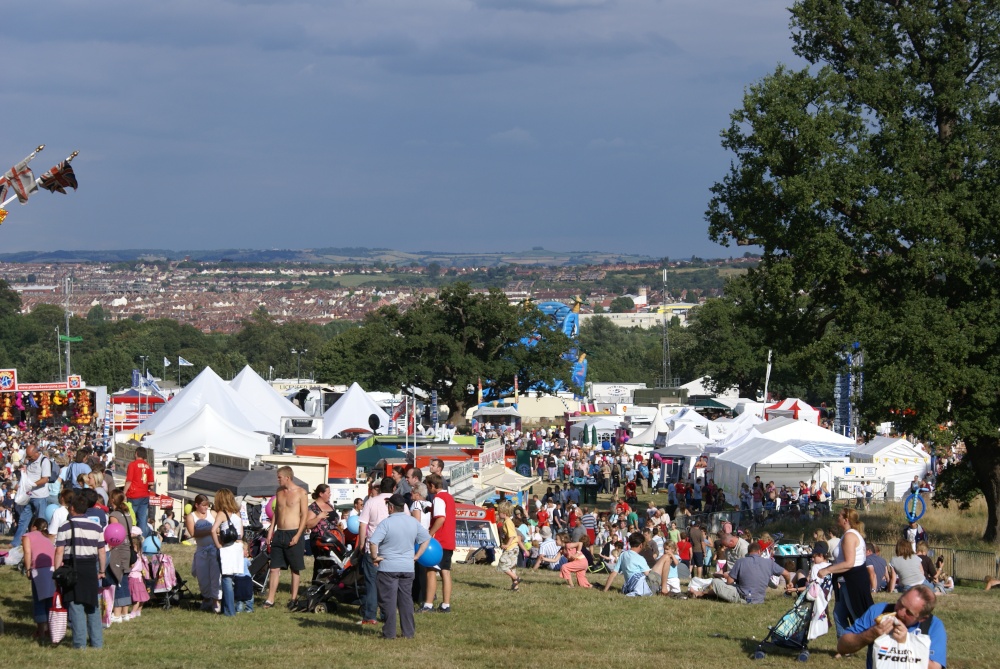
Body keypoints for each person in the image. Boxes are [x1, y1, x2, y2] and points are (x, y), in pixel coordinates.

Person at [368, 493, 431, 639]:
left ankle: (389, 633)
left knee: (388, 601)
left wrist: (374, 557)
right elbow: (426, 539)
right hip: (407, 567)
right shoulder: (413, 522)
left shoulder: (386, 523)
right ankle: (408, 632)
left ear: (391, 507)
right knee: (406, 600)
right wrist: (417, 556)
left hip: (388, 567)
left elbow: (373, 542)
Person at [838, 585, 947, 669]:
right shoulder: (878, 611)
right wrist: (871, 634)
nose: (900, 612)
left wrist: (906, 644)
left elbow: (935, 667)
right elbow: (842, 647)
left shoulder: (933, 626)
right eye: (900, 603)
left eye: (909, 612)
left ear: (922, 618)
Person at [53, 491, 107, 649]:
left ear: (72, 508)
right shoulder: (97, 527)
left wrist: (57, 572)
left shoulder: (65, 526)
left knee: (76, 606)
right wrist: (101, 570)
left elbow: (59, 551)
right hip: (90, 567)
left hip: (72, 567)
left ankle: (79, 643)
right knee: (92, 605)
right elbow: (102, 551)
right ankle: (97, 642)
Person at [818, 507, 874, 655]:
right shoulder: (849, 535)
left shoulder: (850, 536)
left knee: (858, 617)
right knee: (839, 614)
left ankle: (875, 646)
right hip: (846, 580)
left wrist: (827, 570)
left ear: (846, 520)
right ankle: (844, 648)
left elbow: (849, 563)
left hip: (853, 581)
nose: (837, 518)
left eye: (839, 516)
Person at [264, 465, 308, 609]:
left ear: (287, 477)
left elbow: (304, 516)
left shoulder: (301, 492)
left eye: (280, 477)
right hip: (280, 533)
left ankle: (293, 599)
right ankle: (270, 599)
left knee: (295, 568)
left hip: (293, 532)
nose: (278, 480)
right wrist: (271, 530)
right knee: (274, 567)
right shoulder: (279, 491)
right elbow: (277, 512)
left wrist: (298, 535)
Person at [691, 541, 791, 603]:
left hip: (745, 598)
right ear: (759, 552)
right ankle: (702, 594)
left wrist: (727, 578)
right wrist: (788, 584)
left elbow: (730, 582)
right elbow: (786, 574)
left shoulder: (741, 561)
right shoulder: (769, 563)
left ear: (748, 552)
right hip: (759, 599)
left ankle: (701, 594)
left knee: (716, 582)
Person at [357, 476, 396, 625]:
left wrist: (362, 543)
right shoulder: (400, 503)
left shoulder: (371, 502)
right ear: (394, 488)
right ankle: (387, 614)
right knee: (389, 583)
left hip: (373, 546)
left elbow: (363, 524)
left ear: (379, 488)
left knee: (371, 583)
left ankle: (370, 615)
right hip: (393, 548)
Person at [419, 472, 455, 613]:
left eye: (428, 487)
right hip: (449, 539)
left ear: (432, 486)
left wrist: (429, 534)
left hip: (439, 541)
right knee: (445, 571)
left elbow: (440, 518)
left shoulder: (438, 498)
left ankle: (428, 604)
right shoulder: (449, 497)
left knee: (431, 570)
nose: (428, 490)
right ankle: (446, 604)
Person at [212, 488, 244, 617]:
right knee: (231, 579)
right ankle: (227, 609)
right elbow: (241, 533)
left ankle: (230, 611)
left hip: (227, 548)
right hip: (238, 546)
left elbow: (213, 530)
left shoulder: (222, 513)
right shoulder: (237, 513)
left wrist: (218, 545)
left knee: (226, 579)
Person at [12, 443, 52, 548]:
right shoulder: (30, 461)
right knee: (23, 520)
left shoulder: (44, 461)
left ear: (36, 453)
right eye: (27, 456)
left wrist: (32, 485)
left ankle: (41, 543)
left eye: (30, 456)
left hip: (40, 496)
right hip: (29, 495)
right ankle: (15, 543)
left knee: (40, 521)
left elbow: (45, 479)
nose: (28, 458)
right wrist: (21, 484)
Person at [186, 494, 220, 612]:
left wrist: (214, 532)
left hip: (214, 548)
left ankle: (216, 600)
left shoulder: (213, 514)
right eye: (203, 505)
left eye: (207, 505)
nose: (206, 508)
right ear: (197, 505)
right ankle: (206, 598)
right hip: (201, 550)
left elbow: (219, 528)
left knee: (215, 576)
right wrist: (210, 531)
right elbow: (193, 533)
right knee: (203, 577)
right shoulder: (191, 517)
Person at [23, 517, 55, 639]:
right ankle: (50, 630)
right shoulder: (47, 538)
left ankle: (41, 631)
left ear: (34, 527)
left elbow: (27, 552)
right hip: (52, 569)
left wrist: (28, 569)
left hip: (39, 569)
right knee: (49, 601)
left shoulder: (28, 536)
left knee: (39, 601)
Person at [106, 490, 134, 624]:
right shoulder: (127, 514)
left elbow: (113, 535)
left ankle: (117, 613)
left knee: (117, 579)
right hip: (127, 548)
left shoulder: (114, 515)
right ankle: (125, 612)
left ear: (112, 500)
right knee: (124, 579)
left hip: (118, 548)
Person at [305, 483, 339, 584]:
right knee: (321, 563)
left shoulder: (330, 505)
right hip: (319, 540)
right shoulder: (313, 507)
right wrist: (319, 517)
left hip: (333, 538)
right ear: (321, 494)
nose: (330, 494)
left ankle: (330, 585)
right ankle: (317, 585)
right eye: (328, 493)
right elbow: (308, 524)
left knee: (333, 563)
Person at [122, 447, 154, 539]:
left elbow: (129, 481)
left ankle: (129, 537)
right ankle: (142, 539)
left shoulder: (132, 465)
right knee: (142, 519)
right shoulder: (148, 466)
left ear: (136, 453)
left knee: (130, 517)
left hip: (133, 495)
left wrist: (124, 493)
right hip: (144, 496)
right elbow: (151, 485)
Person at [496, 501, 526, 591]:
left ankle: (516, 578)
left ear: (504, 513)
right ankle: (515, 587)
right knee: (512, 567)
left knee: (502, 564)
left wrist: (507, 545)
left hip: (511, 548)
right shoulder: (507, 521)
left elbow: (512, 535)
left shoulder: (508, 522)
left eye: (499, 512)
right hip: (514, 547)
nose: (498, 514)